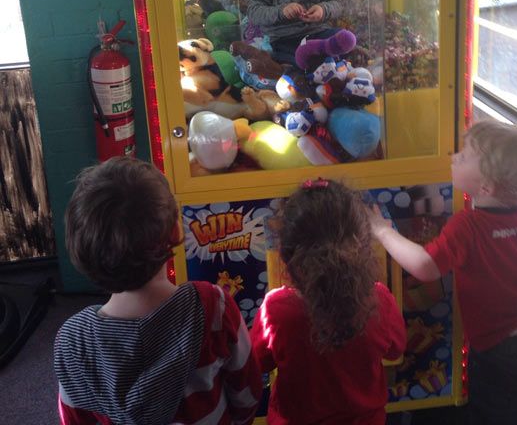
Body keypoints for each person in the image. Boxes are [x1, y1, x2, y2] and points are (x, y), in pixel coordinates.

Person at [54, 157, 261, 425]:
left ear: (80, 249)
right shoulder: (212, 306)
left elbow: (74, 419)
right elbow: (247, 391)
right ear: (176, 231)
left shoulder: (72, 342)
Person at [369, 120, 517, 425]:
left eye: (462, 156)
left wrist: (383, 232)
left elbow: (424, 266)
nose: (452, 157)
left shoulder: (469, 226)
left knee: (496, 407)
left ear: (486, 187)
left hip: (497, 344)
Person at [250, 179, 406, 425]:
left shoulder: (275, 310)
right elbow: (396, 349)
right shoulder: (379, 300)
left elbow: (259, 361)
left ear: (287, 255)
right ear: (362, 246)